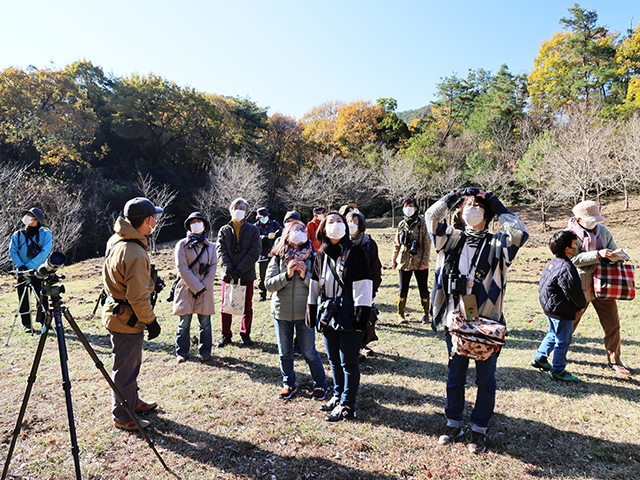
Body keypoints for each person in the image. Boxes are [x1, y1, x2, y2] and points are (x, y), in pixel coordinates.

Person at [426, 187, 528, 454]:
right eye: (468, 204)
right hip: (456, 319)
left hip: (487, 321)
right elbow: (431, 218)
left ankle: (479, 429)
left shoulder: (498, 243)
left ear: (488, 213)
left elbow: (519, 234)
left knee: (486, 378)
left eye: (479, 206)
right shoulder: (451, 238)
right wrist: (453, 196)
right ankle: (453, 422)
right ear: (460, 211)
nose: (473, 208)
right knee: (455, 374)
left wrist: (496, 202)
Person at [102, 197, 163, 431]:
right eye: (154, 217)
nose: (156, 221)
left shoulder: (116, 239)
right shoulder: (135, 252)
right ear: (147, 220)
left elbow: (119, 278)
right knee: (126, 369)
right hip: (127, 319)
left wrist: (149, 283)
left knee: (129, 365)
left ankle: (132, 402)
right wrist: (151, 321)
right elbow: (137, 297)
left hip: (116, 311)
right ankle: (122, 415)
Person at [306, 212, 373, 422]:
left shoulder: (356, 253)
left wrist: (361, 316)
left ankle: (347, 404)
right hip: (328, 312)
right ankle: (337, 395)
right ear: (323, 229)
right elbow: (314, 284)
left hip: (349, 312)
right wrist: (311, 308)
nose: (335, 225)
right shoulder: (321, 255)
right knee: (333, 360)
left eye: (339, 221)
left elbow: (364, 287)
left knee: (348, 362)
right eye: (330, 222)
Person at [265, 220, 327, 400]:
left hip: (305, 313)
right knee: (284, 352)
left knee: (309, 352)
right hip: (281, 313)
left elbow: (320, 285)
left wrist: (304, 275)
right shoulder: (278, 256)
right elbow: (268, 284)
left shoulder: (313, 256)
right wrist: (287, 275)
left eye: (302, 229)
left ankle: (321, 384)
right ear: (287, 233)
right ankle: (288, 383)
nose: (299, 232)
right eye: (295, 230)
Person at [568, 200, 631, 376]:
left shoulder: (603, 231)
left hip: (605, 283)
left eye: (596, 218)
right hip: (580, 285)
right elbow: (572, 259)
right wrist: (597, 254)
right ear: (578, 218)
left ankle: (615, 361)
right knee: (570, 322)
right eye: (590, 219)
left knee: (613, 323)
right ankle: (558, 354)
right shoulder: (569, 234)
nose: (594, 222)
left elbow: (611, 248)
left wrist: (617, 255)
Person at [532, 230, 586, 382]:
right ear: (567, 249)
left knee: (553, 333)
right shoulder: (567, 267)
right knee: (563, 340)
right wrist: (581, 305)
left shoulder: (553, 262)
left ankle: (540, 358)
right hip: (561, 310)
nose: (577, 247)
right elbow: (573, 291)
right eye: (575, 245)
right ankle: (558, 371)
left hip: (550, 307)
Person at [173, 212, 218, 363]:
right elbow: (182, 268)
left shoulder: (211, 247)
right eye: (193, 222)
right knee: (183, 323)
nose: (196, 224)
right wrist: (196, 287)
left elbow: (213, 268)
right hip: (186, 289)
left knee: (205, 323)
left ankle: (205, 351)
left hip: (205, 290)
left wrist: (203, 287)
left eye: (199, 221)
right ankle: (182, 351)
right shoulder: (182, 245)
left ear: (204, 225)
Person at [217, 198, 261, 347]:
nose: (238, 210)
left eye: (241, 208)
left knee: (247, 306)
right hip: (228, 274)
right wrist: (229, 269)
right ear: (230, 210)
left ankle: (245, 333)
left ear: (246, 212)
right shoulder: (223, 230)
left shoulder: (254, 230)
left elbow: (255, 251)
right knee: (226, 305)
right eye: (235, 207)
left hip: (246, 274)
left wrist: (240, 269)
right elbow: (220, 250)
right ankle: (225, 335)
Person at [9, 208, 52, 332]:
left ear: (37, 220)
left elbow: (44, 253)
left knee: (42, 296)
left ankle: (45, 321)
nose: (26, 217)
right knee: (23, 298)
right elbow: (12, 251)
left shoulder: (45, 234)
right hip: (21, 271)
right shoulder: (17, 235)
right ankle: (26, 324)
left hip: (39, 270)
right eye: (26, 214)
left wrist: (29, 266)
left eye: (30, 215)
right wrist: (20, 265)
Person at [347, 211, 382, 356]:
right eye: (349, 222)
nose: (352, 225)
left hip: (365, 287)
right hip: (347, 286)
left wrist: (373, 291)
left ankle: (362, 344)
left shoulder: (369, 243)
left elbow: (376, 269)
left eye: (355, 223)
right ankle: (350, 347)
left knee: (365, 316)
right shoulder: (343, 242)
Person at [392, 197, 431, 323]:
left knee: (423, 289)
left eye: (410, 206)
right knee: (403, 289)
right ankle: (400, 315)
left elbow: (427, 244)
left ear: (416, 208)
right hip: (404, 261)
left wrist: (425, 262)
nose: (408, 209)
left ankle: (426, 314)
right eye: (405, 206)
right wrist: (394, 259)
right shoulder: (401, 224)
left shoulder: (422, 223)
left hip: (420, 262)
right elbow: (397, 243)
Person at [254, 207, 282, 302]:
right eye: (262, 217)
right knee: (262, 276)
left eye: (265, 216)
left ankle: (276, 293)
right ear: (258, 218)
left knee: (276, 274)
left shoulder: (275, 224)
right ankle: (262, 294)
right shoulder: (255, 227)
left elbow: (281, 235)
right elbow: (253, 239)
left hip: (274, 253)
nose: (264, 218)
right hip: (262, 254)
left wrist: (276, 237)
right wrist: (263, 238)